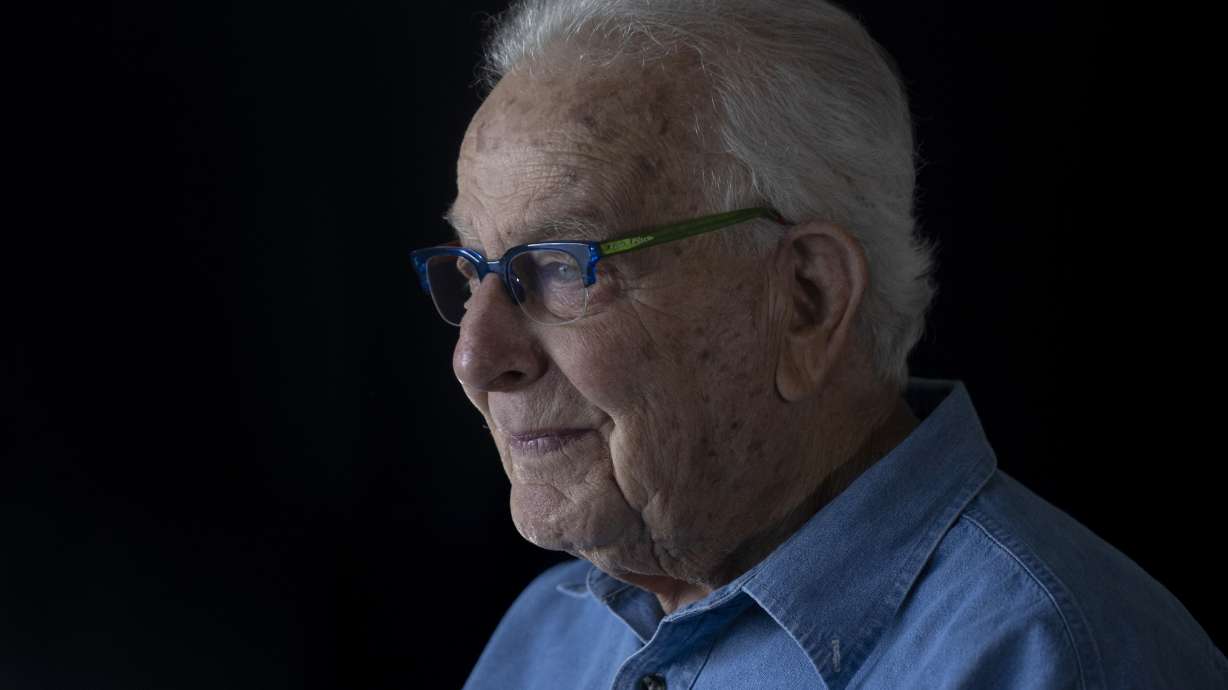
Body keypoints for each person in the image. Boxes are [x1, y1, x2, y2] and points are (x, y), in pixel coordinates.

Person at [409, 0, 1228, 687]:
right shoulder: (547, 642)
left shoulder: (1047, 657)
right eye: (472, 269)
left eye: (559, 267)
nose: (477, 358)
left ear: (807, 300)